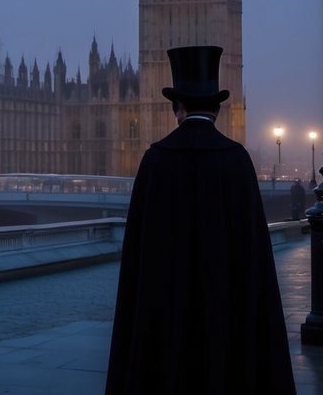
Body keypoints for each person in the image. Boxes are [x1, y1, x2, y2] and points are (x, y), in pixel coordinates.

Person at [105, 46, 295, 394]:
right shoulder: (238, 161)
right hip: (225, 318)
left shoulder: (155, 161)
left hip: (165, 317)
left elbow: (138, 257)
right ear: (218, 108)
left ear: (177, 108)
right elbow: (256, 259)